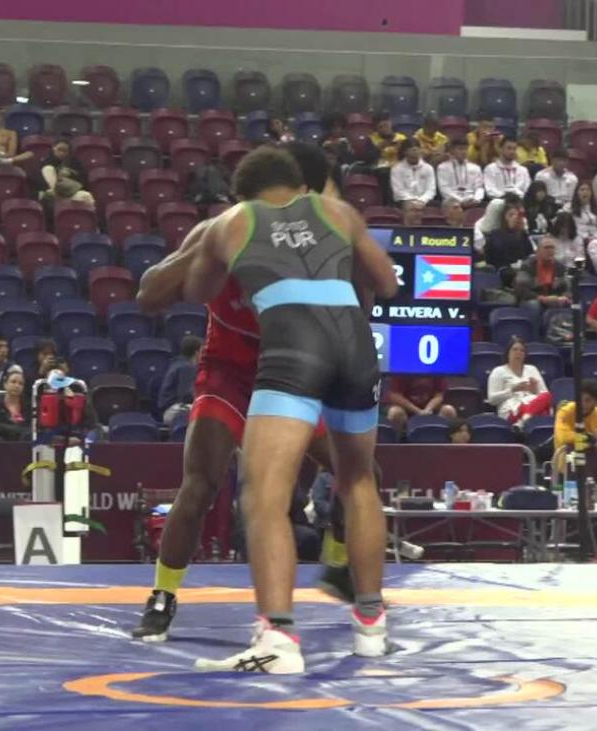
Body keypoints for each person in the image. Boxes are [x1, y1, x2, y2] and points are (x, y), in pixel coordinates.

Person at [165, 146, 400, 673]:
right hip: (356, 345)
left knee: (265, 494)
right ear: (300, 185)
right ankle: (370, 627)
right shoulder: (338, 212)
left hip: (295, 345)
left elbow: (200, 290)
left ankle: (278, 637)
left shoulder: (232, 221)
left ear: (243, 193)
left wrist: (232, 259)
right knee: (358, 480)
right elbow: (385, 283)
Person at [129, 143, 356, 646]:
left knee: (360, 471)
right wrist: (204, 252)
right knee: (201, 483)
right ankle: (162, 597)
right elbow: (148, 295)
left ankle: (339, 565)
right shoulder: (221, 233)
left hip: (287, 377)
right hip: (228, 375)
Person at [486, 337, 551, 426]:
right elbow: (492, 399)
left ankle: (522, 421)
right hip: (512, 409)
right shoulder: (498, 371)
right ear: (508, 353)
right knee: (542, 413)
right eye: (515, 350)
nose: (518, 353)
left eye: (522, 351)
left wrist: (535, 390)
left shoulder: (532, 369)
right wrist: (512, 390)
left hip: (531, 404)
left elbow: (545, 394)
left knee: (547, 396)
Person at [553, 378, 597, 464]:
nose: (582, 404)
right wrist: (593, 440)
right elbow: (564, 437)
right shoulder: (565, 412)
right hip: (567, 465)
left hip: (595, 464)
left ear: (596, 402)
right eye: (580, 399)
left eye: (588, 400)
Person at [513, 237, 571, 317]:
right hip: (533, 298)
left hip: (554, 298)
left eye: (552, 247)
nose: (550, 250)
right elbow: (521, 289)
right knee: (534, 305)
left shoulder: (560, 267)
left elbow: (568, 287)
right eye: (546, 248)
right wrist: (541, 298)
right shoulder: (528, 266)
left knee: (572, 304)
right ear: (538, 251)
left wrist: (564, 297)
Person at [384, 375, 459, 432]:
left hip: (430, 409)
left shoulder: (436, 369)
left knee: (448, 410)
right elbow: (395, 396)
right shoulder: (402, 369)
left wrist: (427, 410)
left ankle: (441, 441)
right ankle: (397, 443)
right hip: (405, 409)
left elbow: (439, 396)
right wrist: (418, 411)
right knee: (395, 412)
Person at [158, 335, 201, 425]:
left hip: (172, 409)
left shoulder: (178, 363)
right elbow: (186, 395)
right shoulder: (187, 367)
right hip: (174, 410)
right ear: (197, 352)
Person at [40, 138, 95, 207]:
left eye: (64, 151)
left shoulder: (75, 163)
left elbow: (83, 180)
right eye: (59, 149)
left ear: (69, 152)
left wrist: (70, 174)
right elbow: (39, 181)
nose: (61, 153)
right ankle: (56, 192)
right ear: (53, 149)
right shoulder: (46, 162)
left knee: (87, 196)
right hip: (52, 194)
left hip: (70, 193)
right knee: (48, 169)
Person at [482, 203, 533, 273]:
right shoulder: (494, 236)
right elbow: (491, 259)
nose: (515, 217)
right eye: (511, 215)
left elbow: (529, 255)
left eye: (518, 215)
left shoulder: (523, 235)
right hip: (501, 272)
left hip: (522, 272)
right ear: (504, 217)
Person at [436, 137, 485, 208]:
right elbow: (444, 189)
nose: (463, 152)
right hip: (452, 202)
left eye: (465, 149)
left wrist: (476, 199)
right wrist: (461, 201)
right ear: (452, 150)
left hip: (472, 201)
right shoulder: (443, 167)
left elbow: (479, 188)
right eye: (460, 149)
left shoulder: (475, 168)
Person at [390, 138, 436, 206]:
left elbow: (431, 189)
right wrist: (412, 201)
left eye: (416, 150)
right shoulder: (397, 169)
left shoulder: (428, 168)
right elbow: (398, 190)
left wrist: (422, 201)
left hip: (424, 201)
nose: (415, 152)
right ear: (405, 152)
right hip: (404, 200)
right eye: (412, 150)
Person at [0, 370, 31, 441]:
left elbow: (30, 428)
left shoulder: (28, 404)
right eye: (13, 382)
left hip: (23, 441)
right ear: (5, 384)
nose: (17, 386)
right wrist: (17, 430)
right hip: (1, 440)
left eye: (21, 384)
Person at [564, 180, 597, 250]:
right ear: (577, 192)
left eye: (588, 190)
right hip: (578, 239)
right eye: (582, 190)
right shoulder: (568, 207)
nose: (585, 192)